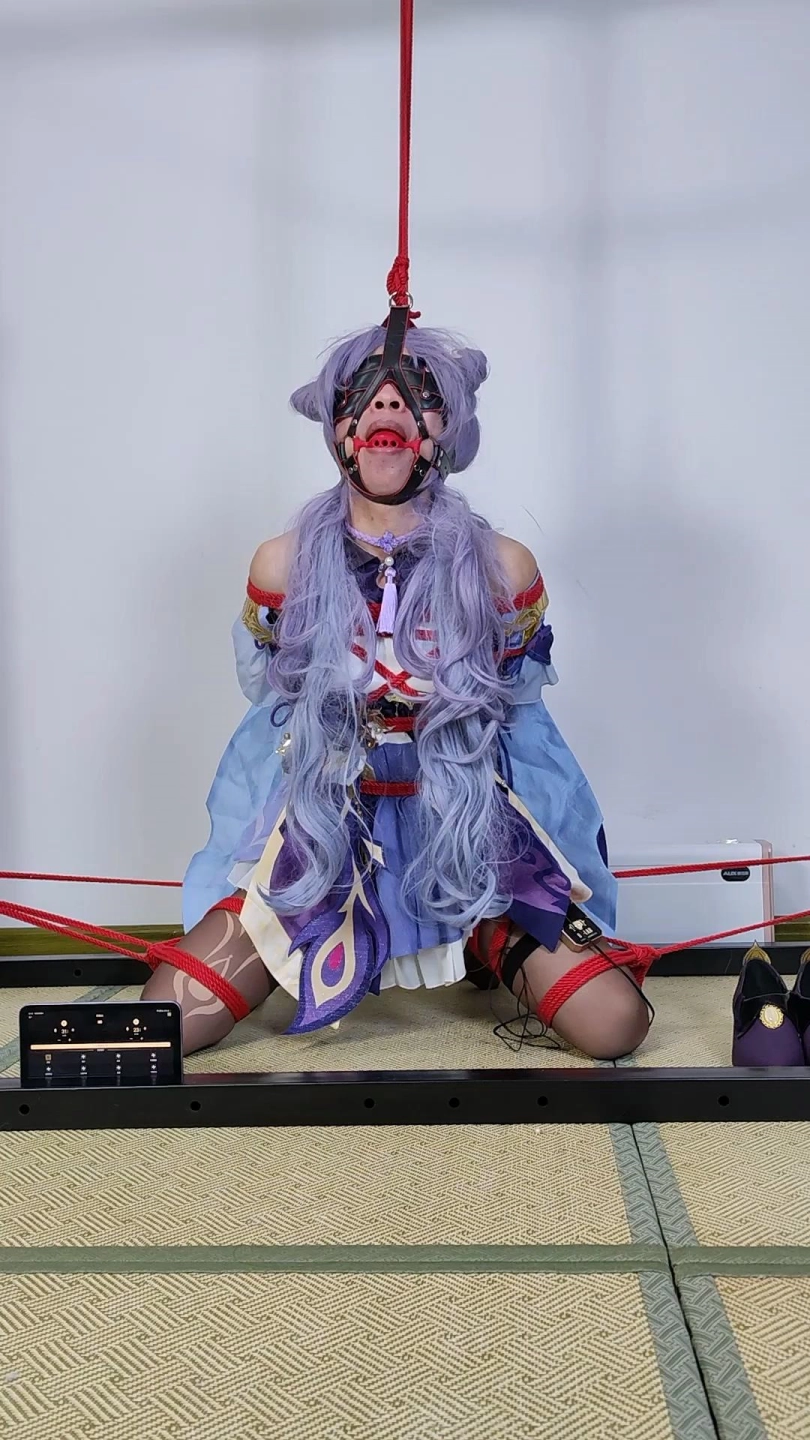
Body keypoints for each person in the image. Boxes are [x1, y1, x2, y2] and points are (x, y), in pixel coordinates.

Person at [142, 314, 652, 1059]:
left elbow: (523, 721)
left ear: (447, 424)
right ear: (337, 425)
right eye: (363, 390)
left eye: (417, 389)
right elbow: (267, 705)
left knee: (614, 1024)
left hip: (469, 828)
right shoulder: (284, 565)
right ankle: (305, 934)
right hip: (328, 828)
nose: (388, 404)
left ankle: (483, 936)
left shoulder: (502, 567)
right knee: (166, 1021)